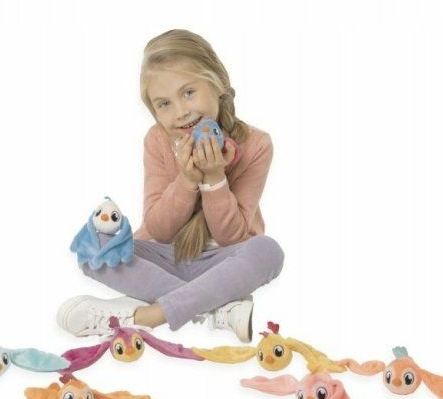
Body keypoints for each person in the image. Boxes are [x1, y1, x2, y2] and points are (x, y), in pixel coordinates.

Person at [56, 29, 284, 342]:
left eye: (188, 92)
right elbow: (159, 230)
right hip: (164, 258)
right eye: (164, 104)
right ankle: (216, 311)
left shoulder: (257, 144)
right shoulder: (157, 140)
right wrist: (187, 180)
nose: (181, 112)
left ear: (217, 83)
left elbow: (231, 236)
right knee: (94, 247)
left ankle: (148, 315)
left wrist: (215, 177)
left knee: (268, 251)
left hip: (223, 262)